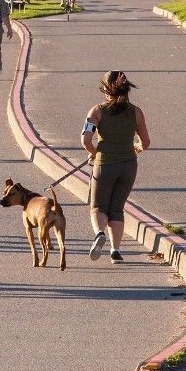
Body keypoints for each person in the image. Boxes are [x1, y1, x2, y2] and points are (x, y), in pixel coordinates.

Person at [82, 70, 151, 264]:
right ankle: (116, 250)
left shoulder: (97, 111)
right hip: (128, 166)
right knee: (117, 208)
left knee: (98, 206)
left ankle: (99, 234)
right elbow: (145, 142)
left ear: (105, 90)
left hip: (104, 165)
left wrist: (94, 152)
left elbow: (86, 139)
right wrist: (136, 147)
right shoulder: (136, 112)